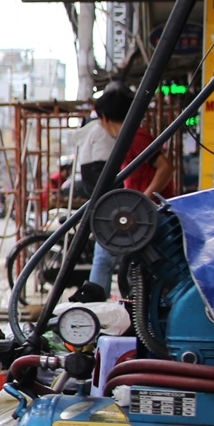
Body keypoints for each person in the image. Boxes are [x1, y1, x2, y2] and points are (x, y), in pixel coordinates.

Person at [74, 87, 174, 301]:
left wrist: (144, 199)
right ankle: (98, 303)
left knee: (105, 249)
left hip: (147, 213)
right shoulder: (127, 137)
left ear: (106, 117)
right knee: (109, 253)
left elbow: (165, 167)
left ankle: (94, 304)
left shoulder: (135, 136)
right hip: (140, 211)